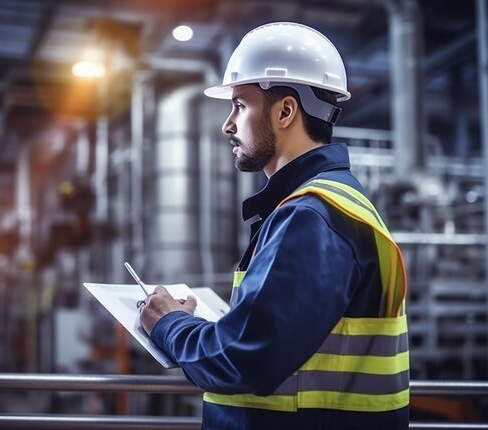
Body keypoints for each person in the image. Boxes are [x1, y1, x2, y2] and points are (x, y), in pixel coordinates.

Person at [139, 22, 409, 429]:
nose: (228, 124)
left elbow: (247, 358)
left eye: (240, 105)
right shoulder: (321, 205)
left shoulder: (311, 216)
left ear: (285, 111)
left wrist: (169, 323)